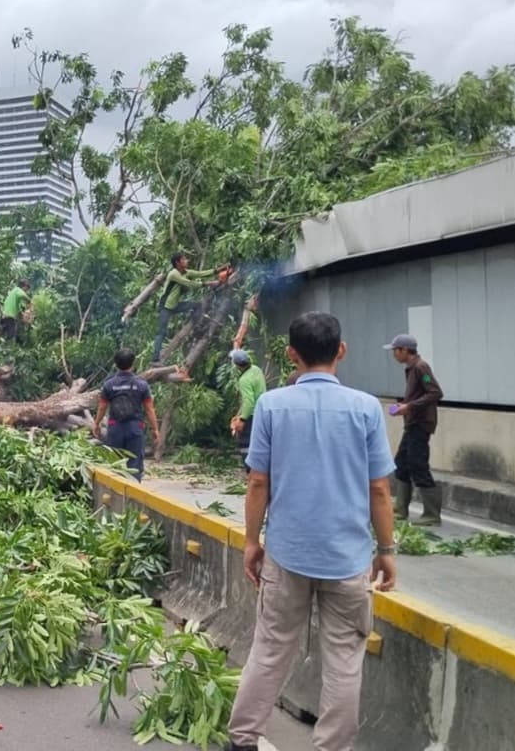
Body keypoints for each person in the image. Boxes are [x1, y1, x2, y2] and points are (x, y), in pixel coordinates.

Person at [227, 312, 397, 751]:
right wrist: (387, 549)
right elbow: (379, 488)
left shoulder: (271, 405)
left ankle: (242, 740)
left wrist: (251, 542)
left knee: (269, 650)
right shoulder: (365, 409)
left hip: (287, 555)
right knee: (343, 662)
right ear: (341, 351)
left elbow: (258, 482)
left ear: (290, 355)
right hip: (348, 559)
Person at [383, 333, 444, 526]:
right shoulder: (411, 368)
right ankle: (400, 508)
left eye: (395, 350)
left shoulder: (420, 367)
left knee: (418, 464)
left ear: (404, 350)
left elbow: (435, 392)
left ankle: (432, 514)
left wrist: (409, 407)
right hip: (412, 422)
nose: (394, 354)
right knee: (401, 462)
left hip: (420, 423)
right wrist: (404, 405)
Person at [92, 349, 159, 482]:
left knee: (114, 462)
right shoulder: (141, 384)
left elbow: (102, 407)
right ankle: (132, 497)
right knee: (134, 464)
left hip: (114, 428)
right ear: (133, 364)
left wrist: (96, 423)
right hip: (135, 428)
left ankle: (114, 495)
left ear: (116, 365)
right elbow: (149, 409)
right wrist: (155, 429)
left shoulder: (109, 385)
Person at [151, 253, 221, 364]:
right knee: (161, 332)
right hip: (165, 307)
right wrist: (208, 283)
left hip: (175, 305)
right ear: (178, 263)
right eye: (184, 259)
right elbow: (189, 284)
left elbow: (200, 274)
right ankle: (155, 358)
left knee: (197, 305)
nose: (187, 260)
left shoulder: (186, 272)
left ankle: (195, 322)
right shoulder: (174, 274)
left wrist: (217, 271)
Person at [229, 349, 266, 471]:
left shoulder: (244, 380)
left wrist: (242, 419)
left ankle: (250, 471)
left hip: (251, 415)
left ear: (236, 365)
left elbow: (249, 402)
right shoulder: (256, 369)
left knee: (245, 443)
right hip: (262, 411)